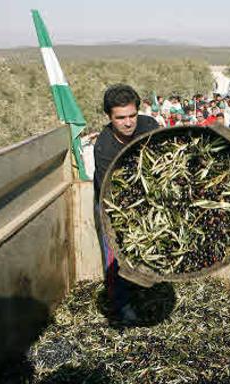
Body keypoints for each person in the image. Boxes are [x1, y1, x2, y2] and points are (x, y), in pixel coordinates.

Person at [93, 84, 159, 321]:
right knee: (115, 253)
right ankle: (120, 307)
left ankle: (144, 290)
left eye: (132, 115)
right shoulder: (104, 147)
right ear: (109, 117)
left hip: (149, 198)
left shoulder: (149, 126)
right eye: (120, 118)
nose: (129, 123)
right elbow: (112, 192)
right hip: (113, 203)